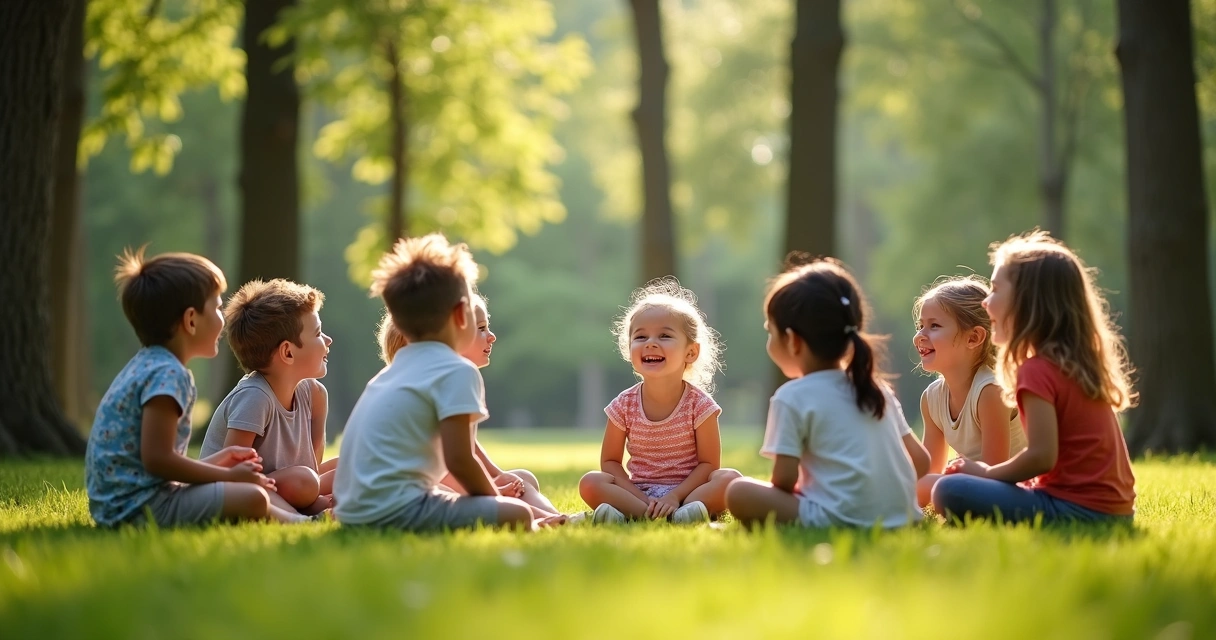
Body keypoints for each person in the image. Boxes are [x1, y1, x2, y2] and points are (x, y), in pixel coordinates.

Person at [334, 233, 559, 532]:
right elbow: (460, 460)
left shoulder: (392, 371)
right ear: (460, 315)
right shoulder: (456, 370)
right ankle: (540, 525)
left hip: (353, 512)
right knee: (516, 514)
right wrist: (496, 503)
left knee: (501, 507)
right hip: (397, 512)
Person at [86, 248, 306, 528]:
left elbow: (158, 460)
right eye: (215, 307)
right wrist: (228, 476)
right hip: (141, 508)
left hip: (121, 504)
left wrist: (219, 461)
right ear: (191, 320)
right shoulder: (169, 375)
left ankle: (301, 519)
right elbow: (158, 461)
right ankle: (301, 522)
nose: (222, 317)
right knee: (253, 497)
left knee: (250, 494)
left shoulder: (147, 365)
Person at [932, 231, 1136, 524]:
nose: (986, 303)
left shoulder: (1036, 370)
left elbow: (1042, 456)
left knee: (949, 489)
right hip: (1116, 511)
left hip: (1074, 510)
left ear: (1026, 302)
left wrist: (986, 473)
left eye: (995, 290)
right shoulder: (1073, 364)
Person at [726, 258, 925, 529]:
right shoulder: (875, 388)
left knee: (738, 492)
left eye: (770, 332)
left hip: (840, 519)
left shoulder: (792, 396)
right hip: (904, 518)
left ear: (794, 341)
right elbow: (921, 462)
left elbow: (783, 481)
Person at [578, 277, 742, 525]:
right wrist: (643, 500)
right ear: (629, 348)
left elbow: (709, 464)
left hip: (687, 492)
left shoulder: (700, 405)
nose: (651, 343)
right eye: (640, 337)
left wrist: (675, 496)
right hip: (639, 493)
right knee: (591, 482)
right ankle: (651, 514)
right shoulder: (623, 405)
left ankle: (673, 513)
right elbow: (610, 462)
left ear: (691, 352)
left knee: (730, 479)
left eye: (664, 335)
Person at [375, 299, 560, 517]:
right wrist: (493, 491)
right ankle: (551, 519)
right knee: (510, 506)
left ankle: (554, 517)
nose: (492, 336)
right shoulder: (439, 386)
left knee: (523, 478)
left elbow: (469, 447)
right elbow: (448, 468)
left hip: (433, 484)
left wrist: (497, 474)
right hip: (421, 489)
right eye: (481, 329)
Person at [200, 279, 336, 515]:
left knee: (350, 464)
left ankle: (322, 507)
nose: (327, 340)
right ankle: (299, 516)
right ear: (287, 352)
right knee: (304, 481)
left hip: (293, 487)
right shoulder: (255, 397)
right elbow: (234, 476)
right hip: (238, 489)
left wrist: (315, 497)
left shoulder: (315, 396)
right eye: (317, 333)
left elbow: (312, 468)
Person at [912, 276, 1027, 507]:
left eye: (934, 326)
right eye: (920, 326)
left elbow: (995, 474)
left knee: (925, 486)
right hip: (971, 485)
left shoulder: (990, 391)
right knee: (915, 484)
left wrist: (938, 484)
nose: (920, 336)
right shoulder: (932, 398)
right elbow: (929, 470)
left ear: (973, 338)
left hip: (1012, 488)